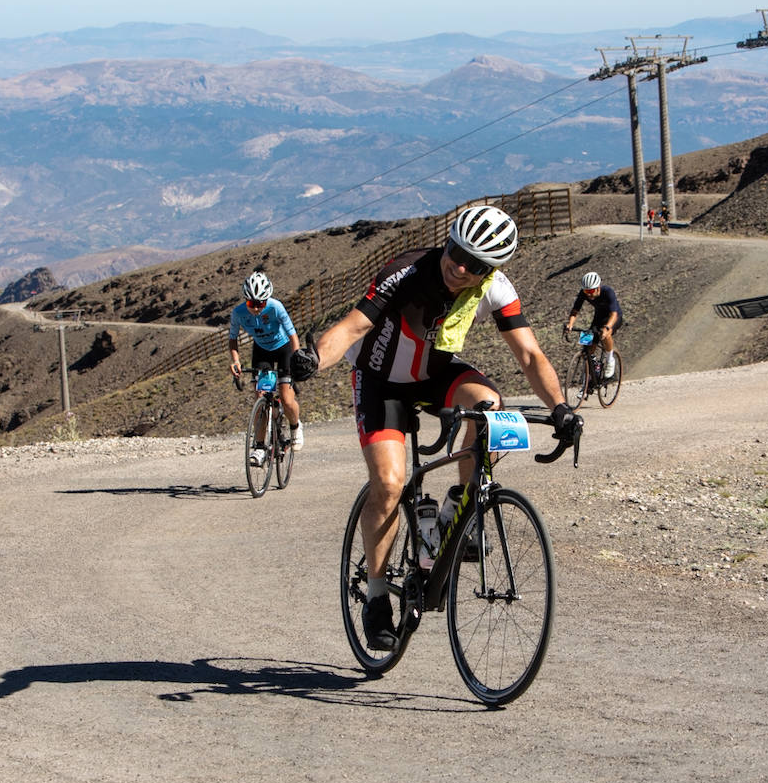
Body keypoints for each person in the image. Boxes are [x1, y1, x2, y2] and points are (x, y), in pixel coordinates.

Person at [288, 205, 580, 650]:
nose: (459, 266)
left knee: (491, 406)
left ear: (490, 270)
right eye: (456, 251)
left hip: (434, 374)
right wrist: (313, 358)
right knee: (388, 483)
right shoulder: (406, 272)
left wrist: (560, 408)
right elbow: (352, 328)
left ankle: (458, 509)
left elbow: (530, 356)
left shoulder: (496, 289)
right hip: (380, 380)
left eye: (474, 264)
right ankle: (378, 594)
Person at [228, 270, 303, 462]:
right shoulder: (238, 313)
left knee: (286, 398)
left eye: (260, 303)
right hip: (262, 352)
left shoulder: (276, 307)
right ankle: (260, 446)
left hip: (283, 349)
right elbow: (233, 339)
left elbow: (293, 335)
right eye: (251, 303)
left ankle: (295, 426)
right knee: (261, 398)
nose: (255, 308)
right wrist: (235, 360)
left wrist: (296, 358)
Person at [564, 271, 623, 378]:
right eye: (586, 291)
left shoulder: (608, 292)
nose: (588, 294)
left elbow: (614, 314)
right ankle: (592, 369)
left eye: (591, 291)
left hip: (613, 317)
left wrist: (607, 327)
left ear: (598, 287)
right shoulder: (584, 293)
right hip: (599, 316)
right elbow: (575, 310)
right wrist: (570, 324)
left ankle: (610, 360)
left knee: (605, 334)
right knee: (587, 344)